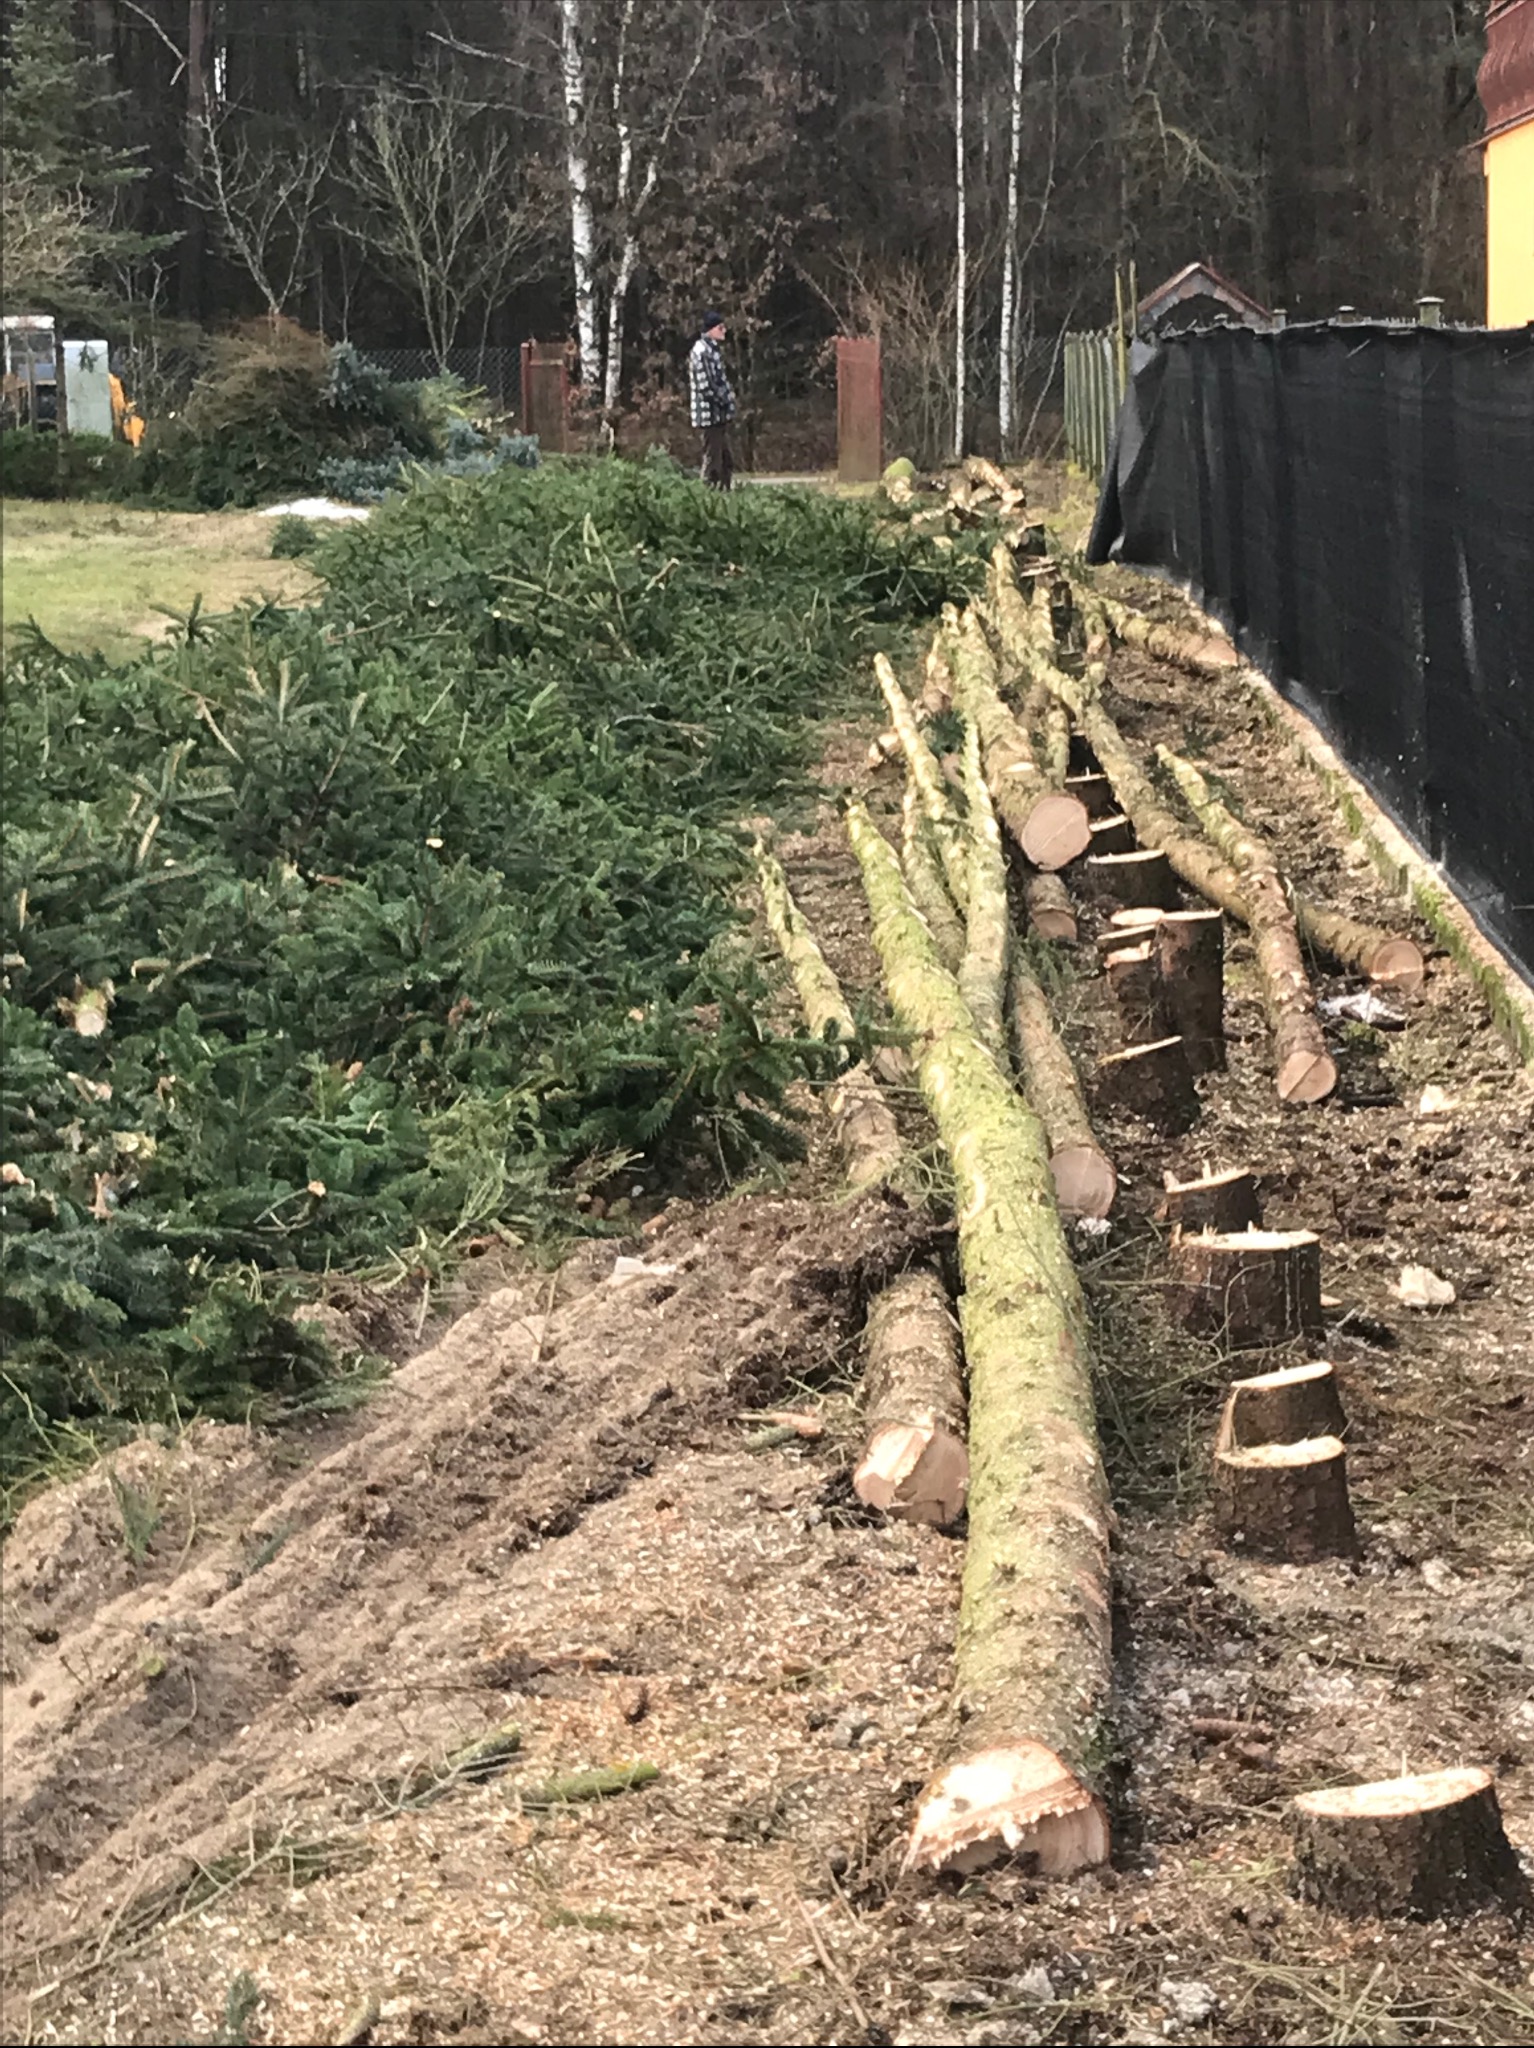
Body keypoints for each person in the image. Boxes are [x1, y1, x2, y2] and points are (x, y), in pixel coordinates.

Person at [687, 311, 736, 490]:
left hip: (718, 415)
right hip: (709, 416)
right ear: (710, 330)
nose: (724, 331)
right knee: (712, 461)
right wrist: (724, 399)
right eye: (720, 327)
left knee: (726, 461)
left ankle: (724, 499)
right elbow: (705, 386)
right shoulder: (701, 351)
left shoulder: (712, 350)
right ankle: (705, 498)